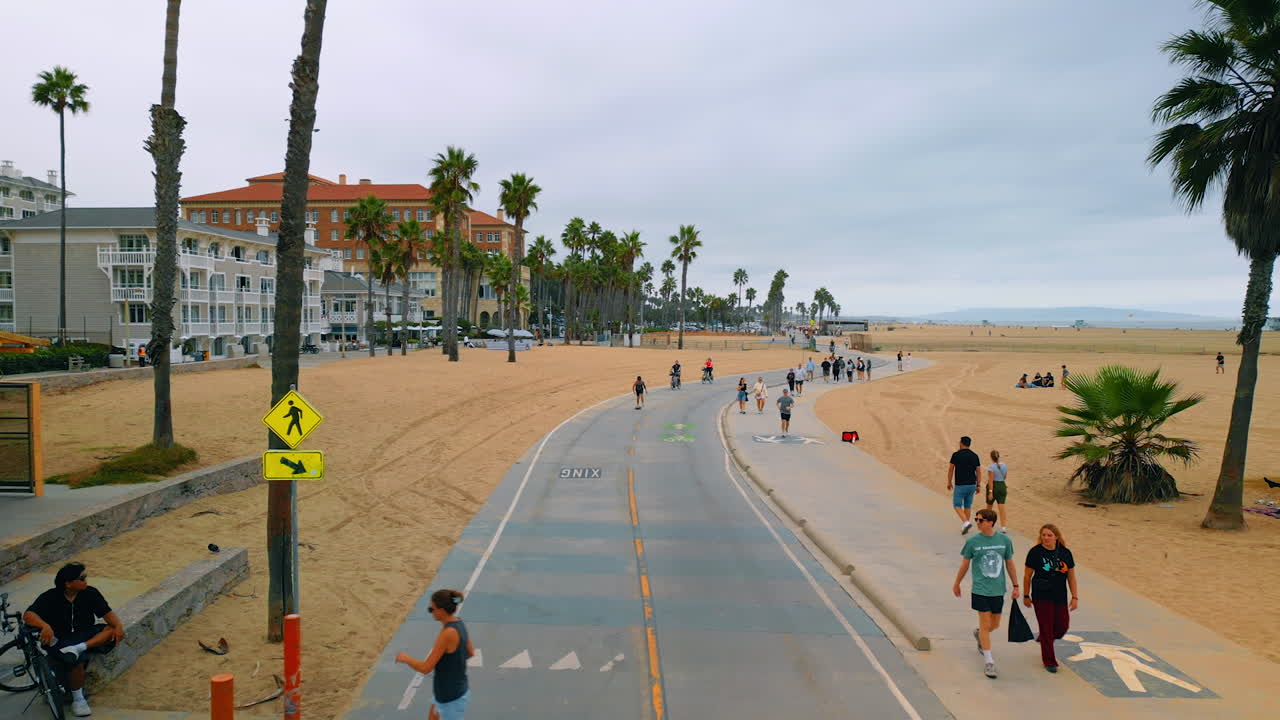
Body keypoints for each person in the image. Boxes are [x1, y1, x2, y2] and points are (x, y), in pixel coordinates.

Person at [24, 562, 125, 717]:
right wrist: (45, 626)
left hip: (84, 633)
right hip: (60, 638)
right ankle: (78, 700)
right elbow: (29, 615)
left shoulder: (90, 593)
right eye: (82, 578)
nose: (86, 581)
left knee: (110, 630)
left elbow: (108, 615)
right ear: (68, 583)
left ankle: (80, 647)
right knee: (74, 661)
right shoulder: (50, 596)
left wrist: (118, 626)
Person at [953, 509, 1019, 679]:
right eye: (976, 519)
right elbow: (965, 564)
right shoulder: (973, 542)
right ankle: (989, 662)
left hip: (998, 590)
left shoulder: (1004, 540)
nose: (977, 522)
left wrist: (1016, 585)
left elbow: (1010, 564)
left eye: (980, 520)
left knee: (994, 625)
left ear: (990, 522)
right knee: (985, 623)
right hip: (980, 589)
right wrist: (957, 582)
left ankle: (979, 634)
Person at [396, 589, 474, 720]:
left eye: (432, 609)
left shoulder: (447, 633)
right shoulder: (459, 623)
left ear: (442, 610)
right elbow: (470, 652)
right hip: (452, 691)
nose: (430, 611)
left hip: (450, 699)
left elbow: (426, 668)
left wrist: (405, 658)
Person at [1022, 524, 1078, 673]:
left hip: (1060, 594)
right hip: (1041, 595)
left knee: (1062, 626)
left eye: (1049, 535)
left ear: (1056, 537)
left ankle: (1045, 638)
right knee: (1046, 627)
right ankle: (1049, 660)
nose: (1046, 538)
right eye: (1043, 535)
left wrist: (1075, 597)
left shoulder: (1065, 553)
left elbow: (1071, 577)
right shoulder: (1035, 552)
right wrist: (1026, 595)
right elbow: (1027, 576)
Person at [947, 436, 982, 534]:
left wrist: (949, 482)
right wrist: (978, 485)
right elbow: (978, 471)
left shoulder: (956, 455)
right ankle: (965, 526)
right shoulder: (975, 455)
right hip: (972, 484)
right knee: (967, 505)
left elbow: (951, 469)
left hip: (960, 484)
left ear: (961, 443)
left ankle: (966, 522)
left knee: (957, 505)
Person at [984, 450, 1009, 532]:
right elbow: (1005, 477)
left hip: (994, 486)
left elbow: (991, 480)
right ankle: (1004, 526)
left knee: (989, 508)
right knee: (1002, 508)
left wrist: (990, 492)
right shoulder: (1004, 465)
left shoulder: (991, 467)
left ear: (991, 457)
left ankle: (988, 524)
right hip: (1002, 485)